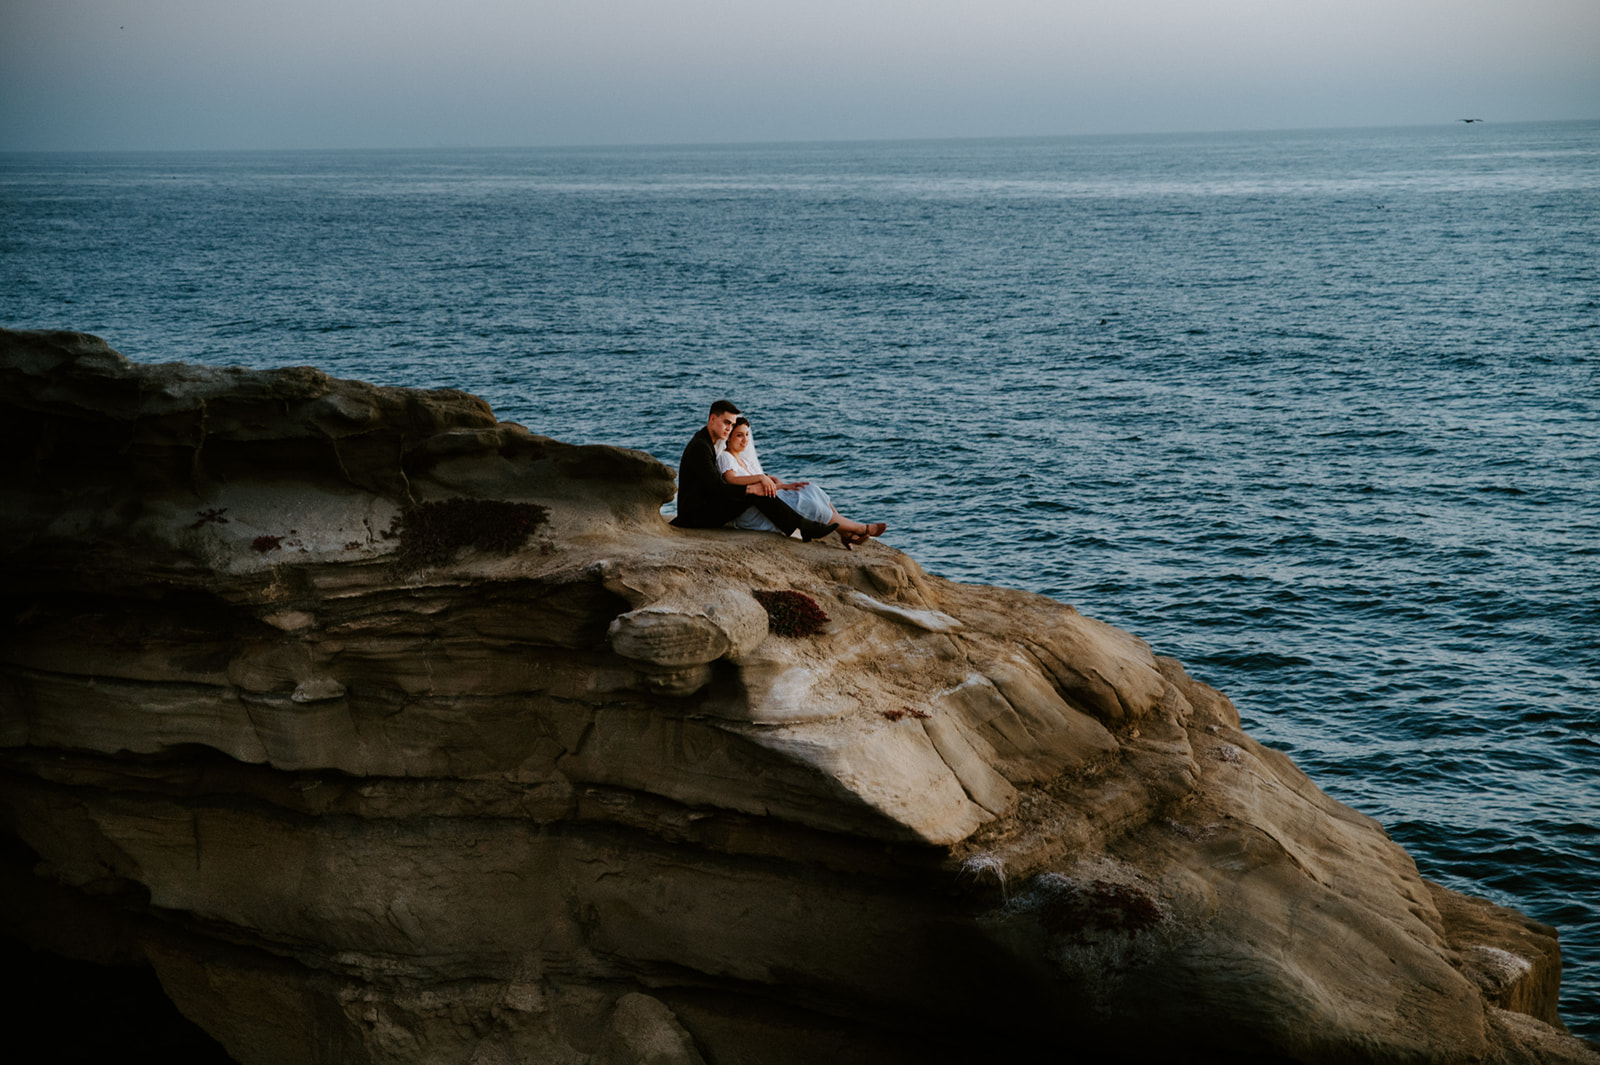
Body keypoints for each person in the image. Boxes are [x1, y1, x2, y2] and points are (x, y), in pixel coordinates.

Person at [672, 400, 838, 542]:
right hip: (695, 516)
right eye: (726, 423)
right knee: (753, 493)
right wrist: (749, 488)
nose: (729, 428)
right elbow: (716, 487)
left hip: (705, 507)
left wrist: (760, 482)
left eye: (731, 424)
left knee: (754, 492)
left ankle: (802, 526)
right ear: (712, 419)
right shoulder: (701, 447)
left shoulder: (707, 442)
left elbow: (714, 485)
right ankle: (802, 527)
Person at [717, 418, 887, 547]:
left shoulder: (745, 460)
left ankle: (844, 531)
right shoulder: (726, 457)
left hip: (769, 500)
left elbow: (767, 481)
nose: (745, 440)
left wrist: (782, 484)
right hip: (756, 510)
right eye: (739, 435)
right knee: (809, 504)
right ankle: (860, 529)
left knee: (810, 488)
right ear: (729, 438)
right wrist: (763, 479)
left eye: (746, 434)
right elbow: (732, 479)